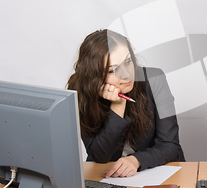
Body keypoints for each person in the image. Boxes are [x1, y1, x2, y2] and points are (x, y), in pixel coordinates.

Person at [67, 29, 185, 178]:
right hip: (108, 176)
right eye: (113, 70)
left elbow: (170, 145)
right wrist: (118, 105)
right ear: (94, 75)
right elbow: (99, 156)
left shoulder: (154, 79)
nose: (126, 74)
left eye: (128, 62)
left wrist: (136, 160)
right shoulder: (80, 91)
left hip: (155, 171)